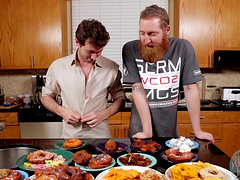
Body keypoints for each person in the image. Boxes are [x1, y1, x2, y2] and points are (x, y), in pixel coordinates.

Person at [122, 5, 214, 143]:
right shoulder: (130, 49)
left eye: (152, 34)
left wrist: (198, 131)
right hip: (140, 127)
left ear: (167, 30)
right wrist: (147, 131)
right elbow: (138, 90)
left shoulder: (183, 47)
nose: (146, 40)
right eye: (142, 33)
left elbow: (190, 88)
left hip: (168, 126)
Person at [41, 19, 126, 138]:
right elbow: (46, 97)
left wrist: (104, 114)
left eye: (99, 52)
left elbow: (120, 99)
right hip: (70, 136)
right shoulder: (58, 67)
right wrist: (62, 111)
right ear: (78, 42)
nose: (95, 57)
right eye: (90, 52)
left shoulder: (111, 68)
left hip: (100, 137)